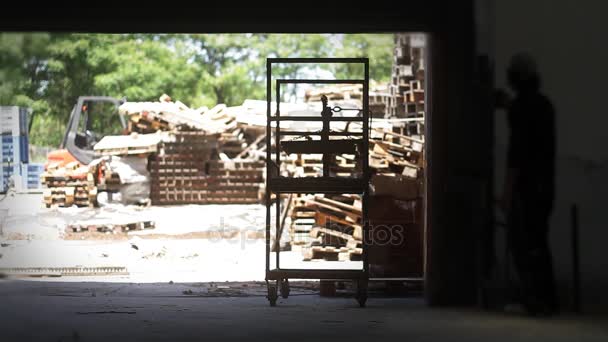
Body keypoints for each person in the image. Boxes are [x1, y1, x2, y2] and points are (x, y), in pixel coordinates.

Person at [497, 53, 558, 316]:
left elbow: (517, 153)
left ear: (517, 77)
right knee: (538, 242)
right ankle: (546, 299)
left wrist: (506, 192)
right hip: (546, 185)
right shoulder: (544, 105)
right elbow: (532, 126)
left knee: (524, 243)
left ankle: (534, 299)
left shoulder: (522, 108)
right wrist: (510, 106)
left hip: (527, 187)